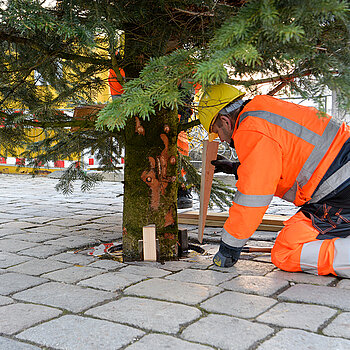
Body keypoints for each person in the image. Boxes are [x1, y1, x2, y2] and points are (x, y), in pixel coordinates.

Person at [197, 83, 350, 278]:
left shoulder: (250, 130)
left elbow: (253, 196)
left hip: (341, 192)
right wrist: (238, 169)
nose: (221, 139)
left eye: (216, 131)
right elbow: (281, 167)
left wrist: (230, 246)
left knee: (285, 252)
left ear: (225, 121)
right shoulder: (262, 109)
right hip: (340, 186)